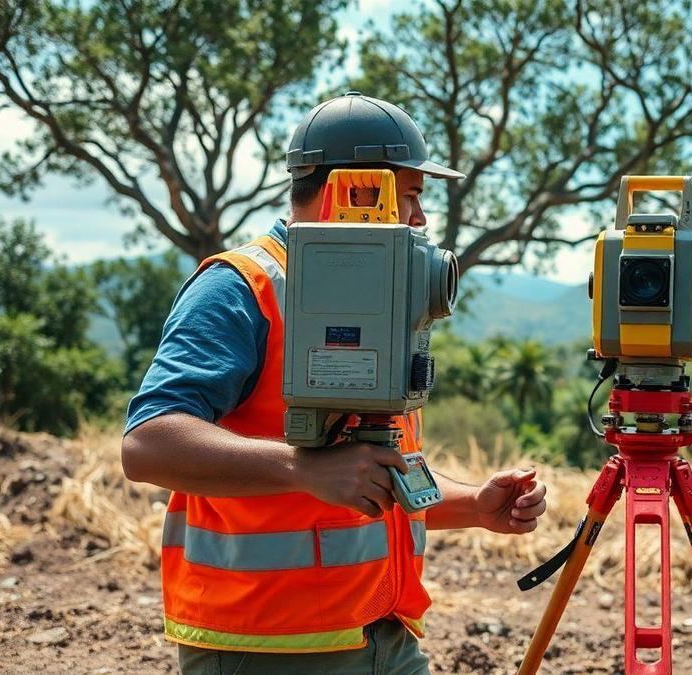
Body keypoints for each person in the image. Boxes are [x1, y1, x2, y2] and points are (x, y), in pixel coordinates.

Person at [121, 91, 548, 674]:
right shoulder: (241, 288)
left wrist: (474, 504)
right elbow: (147, 444)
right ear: (355, 190)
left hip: (381, 637)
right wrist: (300, 467)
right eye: (412, 198)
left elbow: (370, 474)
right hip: (265, 648)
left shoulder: (382, 299)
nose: (421, 220)